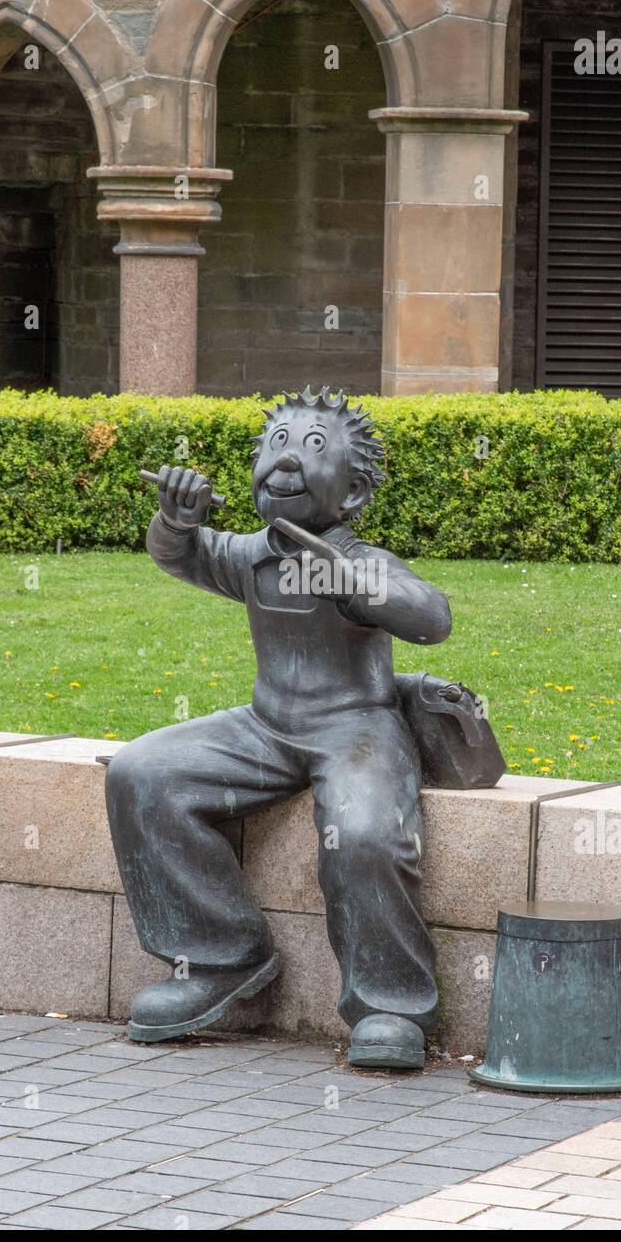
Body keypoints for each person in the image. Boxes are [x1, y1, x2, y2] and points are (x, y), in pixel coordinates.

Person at [105, 386, 452, 1069]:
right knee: (142, 775)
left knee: (361, 834)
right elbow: (182, 556)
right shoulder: (249, 556)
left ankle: (388, 1003)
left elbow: (431, 618)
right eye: (277, 445)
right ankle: (219, 961)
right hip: (264, 729)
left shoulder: (361, 561)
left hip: (355, 731)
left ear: (352, 495)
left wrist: (351, 583)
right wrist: (175, 521)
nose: (287, 461)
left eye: (313, 449)